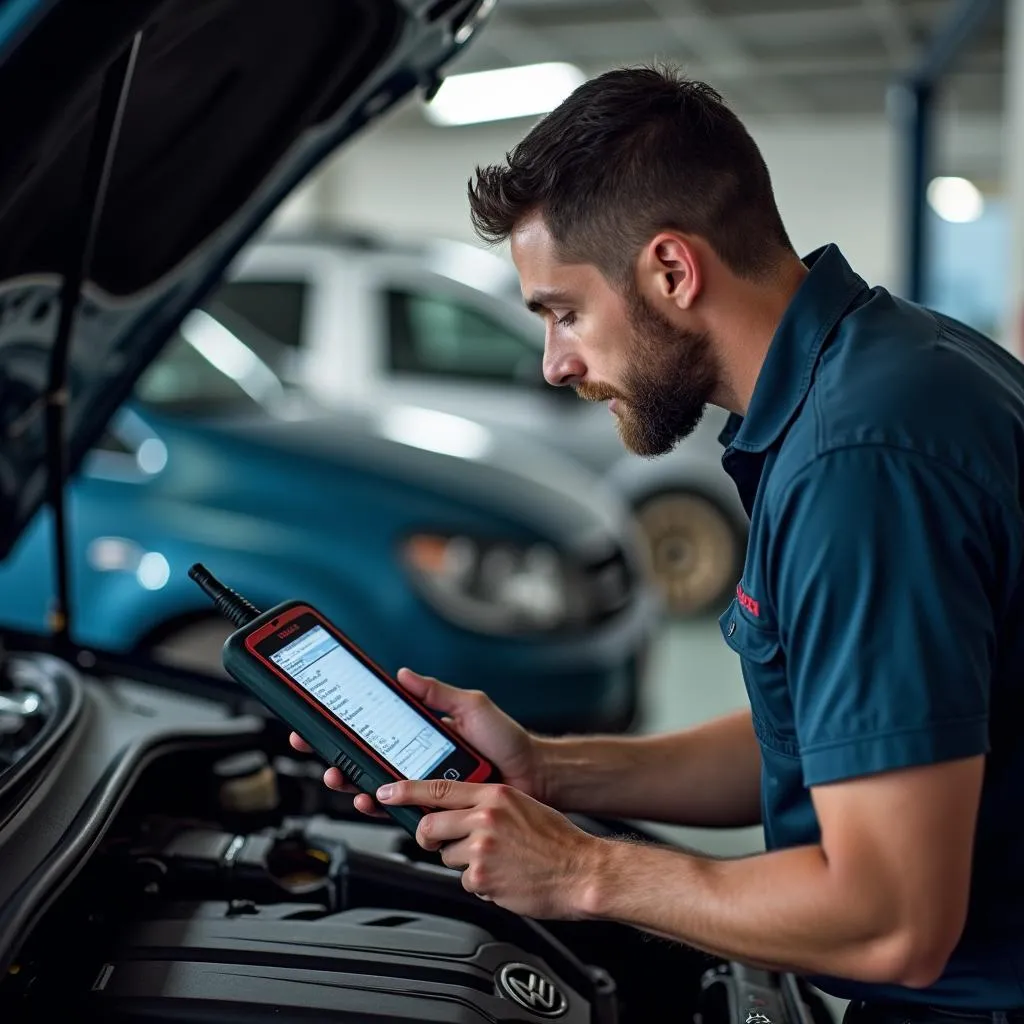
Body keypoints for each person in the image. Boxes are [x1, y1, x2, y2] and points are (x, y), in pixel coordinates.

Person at [292, 65, 1024, 1022]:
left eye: (563, 312)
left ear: (672, 272)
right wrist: (547, 769)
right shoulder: (889, 364)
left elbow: (892, 920)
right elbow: (826, 737)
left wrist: (583, 871)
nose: (556, 362)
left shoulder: (859, 464)